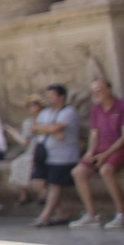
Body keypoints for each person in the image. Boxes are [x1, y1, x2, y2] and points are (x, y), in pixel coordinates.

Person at [72, 78, 124, 229]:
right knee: (78, 172)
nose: (96, 94)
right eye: (93, 91)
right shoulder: (96, 109)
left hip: (121, 147)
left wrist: (106, 155)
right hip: (101, 148)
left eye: (99, 90)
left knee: (106, 170)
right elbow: (94, 134)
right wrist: (90, 152)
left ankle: (122, 215)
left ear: (108, 89)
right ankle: (92, 215)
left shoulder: (123, 106)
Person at [31, 85, 81, 227]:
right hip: (45, 154)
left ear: (61, 97)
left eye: (52, 96)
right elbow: (35, 128)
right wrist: (52, 130)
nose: (49, 99)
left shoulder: (69, 112)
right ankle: (61, 212)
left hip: (63, 156)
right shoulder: (45, 113)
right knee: (37, 183)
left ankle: (44, 217)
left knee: (54, 185)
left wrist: (49, 129)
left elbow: (57, 128)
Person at [10, 95, 46, 207]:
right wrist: (14, 134)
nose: (33, 107)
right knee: (17, 163)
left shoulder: (47, 118)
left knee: (32, 163)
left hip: (45, 147)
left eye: (35, 104)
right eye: (30, 105)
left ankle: (42, 195)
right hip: (32, 148)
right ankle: (24, 193)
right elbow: (26, 141)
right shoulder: (28, 122)